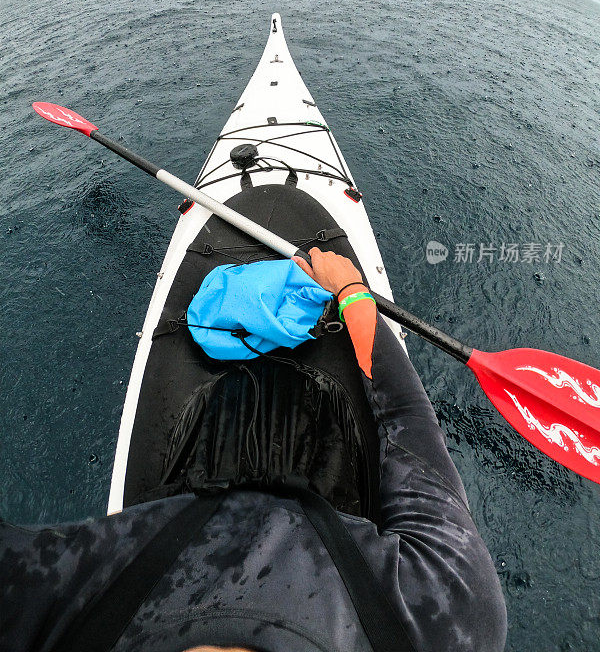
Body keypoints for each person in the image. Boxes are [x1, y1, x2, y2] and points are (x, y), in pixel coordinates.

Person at [1, 249, 507, 652]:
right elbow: (407, 422)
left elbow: (405, 420)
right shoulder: (449, 619)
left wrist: (352, 293)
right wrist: (352, 293)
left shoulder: (55, 600)